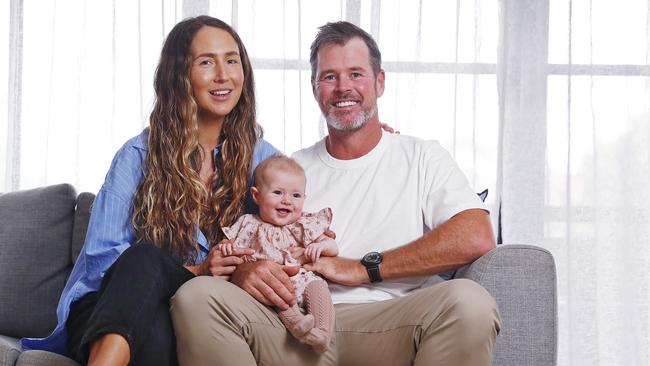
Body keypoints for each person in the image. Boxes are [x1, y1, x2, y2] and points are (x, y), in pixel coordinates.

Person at [171, 21, 501, 366]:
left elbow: (475, 235)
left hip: (395, 321)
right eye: (330, 77)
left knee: (470, 302)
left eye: (356, 74)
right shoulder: (287, 169)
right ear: (315, 88)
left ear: (380, 82)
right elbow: (248, 240)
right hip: (294, 327)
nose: (344, 88)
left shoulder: (421, 156)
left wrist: (363, 268)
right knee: (197, 295)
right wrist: (243, 272)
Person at [21, 15, 279, 366]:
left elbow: (284, 240)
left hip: (192, 315)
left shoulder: (266, 165)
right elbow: (103, 262)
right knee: (144, 262)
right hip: (106, 308)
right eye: (206, 62)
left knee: (162, 329)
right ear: (179, 75)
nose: (223, 75)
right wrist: (198, 270)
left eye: (232, 60)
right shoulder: (138, 155)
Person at [218, 155, 337, 353]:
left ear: (304, 199)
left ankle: (323, 333)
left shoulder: (303, 224)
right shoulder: (249, 224)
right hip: (272, 280)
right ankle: (298, 325)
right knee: (278, 293)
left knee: (319, 288)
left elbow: (333, 247)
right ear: (256, 196)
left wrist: (322, 247)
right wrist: (227, 247)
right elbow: (232, 246)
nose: (287, 201)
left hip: (303, 278)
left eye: (296, 196)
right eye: (278, 192)